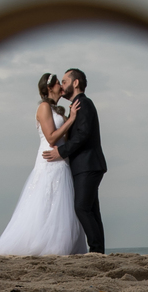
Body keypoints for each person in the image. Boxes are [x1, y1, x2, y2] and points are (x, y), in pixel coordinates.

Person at [0, 73, 89, 255]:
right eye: (58, 84)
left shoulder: (57, 110)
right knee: (45, 199)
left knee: (61, 204)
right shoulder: (44, 107)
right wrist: (71, 120)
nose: (62, 87)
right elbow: (51, 137)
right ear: (49, 88)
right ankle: (44, 244)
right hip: (49, 160)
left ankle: (63, 244)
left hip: (61, 161)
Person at [42, 68, 107, 253]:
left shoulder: (84, 104)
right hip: (85, 165)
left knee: (81, 208)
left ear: (75, 83)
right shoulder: (76, 106)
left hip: (88, 164)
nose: (62, 86)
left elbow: (83, 135)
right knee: (92, 210)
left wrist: (61, 152)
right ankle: (98, 251)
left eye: (64, 81)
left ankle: (95, 250)